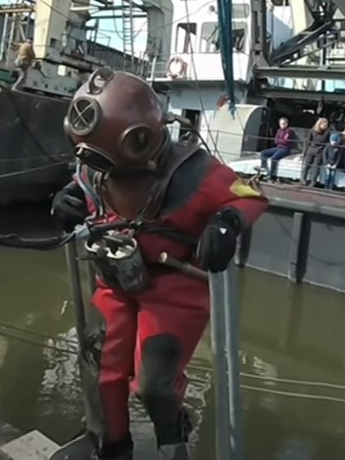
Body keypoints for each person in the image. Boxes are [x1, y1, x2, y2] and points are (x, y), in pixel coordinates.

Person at [50, 68, 268, 460]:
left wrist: (226, 223)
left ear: (139, 140)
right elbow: (82, 182)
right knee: (101, 368)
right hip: (114, 278)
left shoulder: (193, 171)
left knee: (154, 384)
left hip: (173, 286)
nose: (100, 169)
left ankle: (172, 440)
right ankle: (111, 445)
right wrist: (66, 198)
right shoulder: (96, 167)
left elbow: (249, 196)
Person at [257, 116, 296, 181]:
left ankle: (271, 175)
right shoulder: (279, 130)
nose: (282, 125)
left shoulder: (289, 131)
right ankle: (264, 168)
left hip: (285, 149)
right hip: (278, 147)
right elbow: (275, 140)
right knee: (263, 153)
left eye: (283, 123)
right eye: (281, 124)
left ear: (287, 124)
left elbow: (286, 141)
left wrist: (279, 140)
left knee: (274, 158)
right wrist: (280, 140)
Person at [300, 117, 329, 186]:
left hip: (320, 151)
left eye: (326, 124)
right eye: (324, 124)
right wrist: (304, 152)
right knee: (307, 165)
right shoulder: (312, 131)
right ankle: (303, 179)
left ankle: (313, 181)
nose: (325, 126)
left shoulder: (327, 133)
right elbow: (308, 141)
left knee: (316, 167)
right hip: (311, 149)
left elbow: (327, 143)